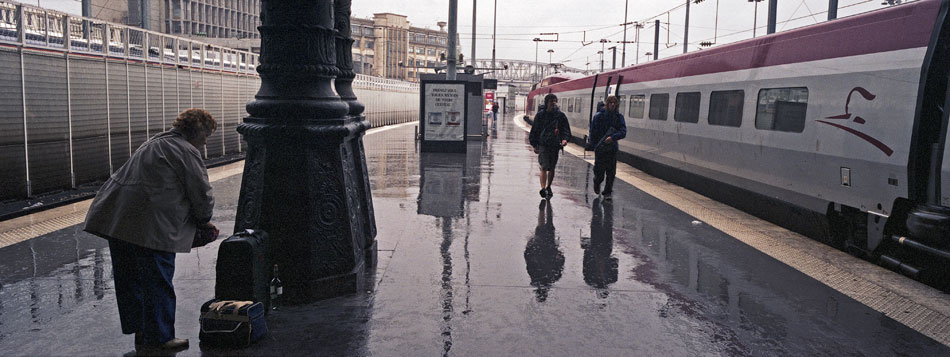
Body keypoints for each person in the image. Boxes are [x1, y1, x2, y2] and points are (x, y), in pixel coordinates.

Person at [84, 108, 217, 351]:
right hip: (152, 229)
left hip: (120, 223)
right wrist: (204, 221)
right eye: (206, 136)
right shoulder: (186, 151)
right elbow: (202, 195)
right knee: (158, 282)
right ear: (197, 131)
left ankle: (141, 333)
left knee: (131, 283)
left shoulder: (153, 143)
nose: (205, 142)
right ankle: (161, 338)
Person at [528, 94, 571, 199]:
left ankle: (548, 186)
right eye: (551, 101)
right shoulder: (540, 115)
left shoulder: (560, 116)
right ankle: (543, 188)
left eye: (555, 101)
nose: (553, 103)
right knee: (544, 166)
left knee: (551, 167)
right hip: (543, 144)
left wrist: (565, 139)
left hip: (555, 145)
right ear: (546, 102)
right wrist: (534, 144)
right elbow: (535, 130)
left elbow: (566, 129)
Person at [587, 96, 627, 200]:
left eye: (614, 103)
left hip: (612, 148)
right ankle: (597, 181)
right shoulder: (599, 116)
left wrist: (613, 138)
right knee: (599, 172)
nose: (613, 104)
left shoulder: (619, 117)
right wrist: (594, 145)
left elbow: (623, 131)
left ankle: (607, 192)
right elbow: (593, 131)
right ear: (607, 104)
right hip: (600, 148)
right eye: (611, 102)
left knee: (611, 172)